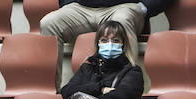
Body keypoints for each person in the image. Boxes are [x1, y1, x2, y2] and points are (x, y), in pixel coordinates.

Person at [39, 0, 170, 69]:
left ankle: (123, 89)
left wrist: (144, 7)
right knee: (48, 23)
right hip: (81, 8)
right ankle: (48, 94)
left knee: (121, 21)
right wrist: (68, 4)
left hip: (123, 7)